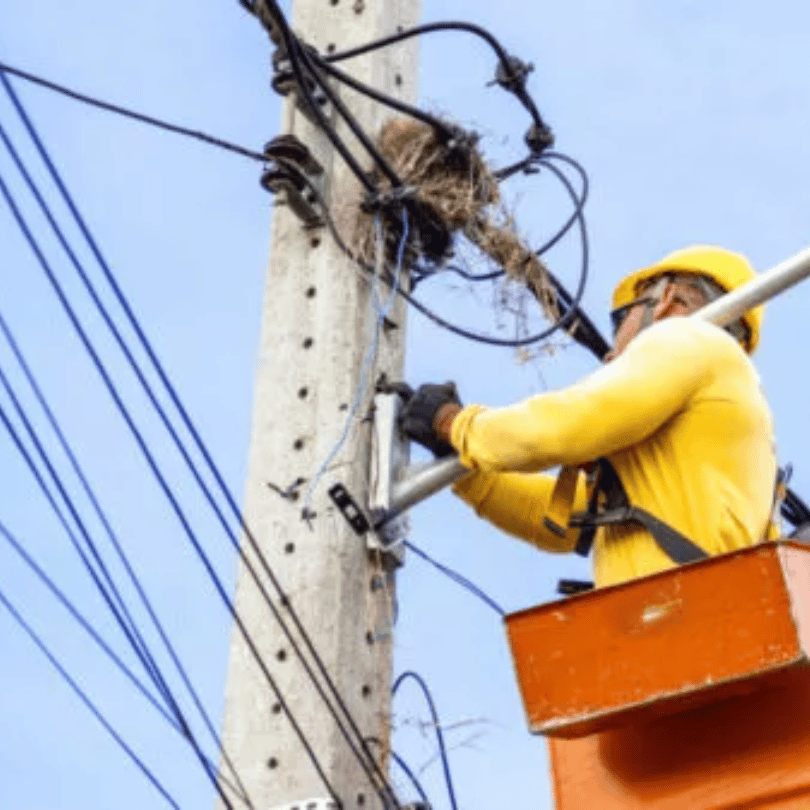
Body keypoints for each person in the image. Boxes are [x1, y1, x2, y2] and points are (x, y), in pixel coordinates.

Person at [400, 246, 779, 589]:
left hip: (674, 606)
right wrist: (465, 466)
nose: (616, 343)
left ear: (666, 299)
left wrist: (457, 424)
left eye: (623, 318)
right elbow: (562, 523)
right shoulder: (720, 422)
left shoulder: (691, 340)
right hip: (695, 618)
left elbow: (567, 427)